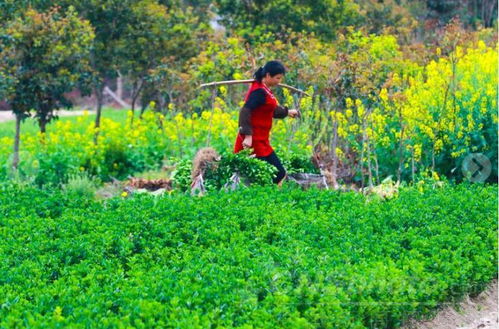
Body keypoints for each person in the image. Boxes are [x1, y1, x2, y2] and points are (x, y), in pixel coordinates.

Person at [234, 60, 300, 185]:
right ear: (268, 75)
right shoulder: (259, 91)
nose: (279, 81)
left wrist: (287, 112)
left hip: (262, 140)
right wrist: (248, 136)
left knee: (278, 173)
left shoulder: (265, 89)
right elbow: (245, 111)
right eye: (277, 78)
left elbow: (270, 110)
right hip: (254, 141)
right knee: (263, 176)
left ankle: (271, 198)